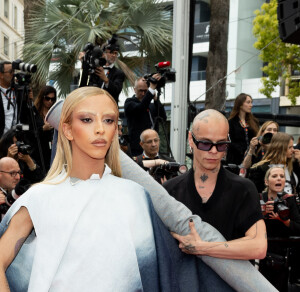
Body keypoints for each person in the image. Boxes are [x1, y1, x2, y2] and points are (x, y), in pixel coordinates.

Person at [0, 88, 276, 291]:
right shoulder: (40, 198)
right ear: (67, 130)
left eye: (108, 120)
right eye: (87, 120)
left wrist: (204, 248)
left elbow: (169, 268)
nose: (99, 129)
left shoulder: (135, 198)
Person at [164, 109, 267, 259]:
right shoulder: (170, 190)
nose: (213, 151)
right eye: (205, 144)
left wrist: (202, 247)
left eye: (221, 144)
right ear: (190, 139)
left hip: (229, 281)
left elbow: (258, 246)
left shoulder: (243, 189)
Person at [259, 166, 300, 292]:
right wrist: (263, 214)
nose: (279, 179)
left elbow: (298, 227)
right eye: (275, 176)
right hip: (262, 251)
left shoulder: (289, 199)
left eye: (282, 176)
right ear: (266, 181)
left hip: (283, 253)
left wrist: (284, 221)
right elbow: (248, 225)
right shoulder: (259, 198)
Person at [124, 76, 167, 156]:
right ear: (134, 89)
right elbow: (141, 108)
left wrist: (155, 99)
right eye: (141, 91)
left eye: (145, 91)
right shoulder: (129, 103)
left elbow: (163, 117)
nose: (143, 93)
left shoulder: (151, 105)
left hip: (154, 149)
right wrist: (150, 90)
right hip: (138, 150)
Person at [80, 38, 125, 104]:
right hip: (92, 105)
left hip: (109, 108)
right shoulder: (94, 68)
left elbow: (116, 91)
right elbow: (83, 88)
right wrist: (85, 65)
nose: (114, 55)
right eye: (111, 52)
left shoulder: (119, 73)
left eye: (116, 53)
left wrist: (106, 80)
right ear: (103, 54)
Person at [226, 93, 259, 165]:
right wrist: (243, 150)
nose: (251, 105)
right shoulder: (231, 122)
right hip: (235, 158)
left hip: (251, 158)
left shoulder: (254, 122)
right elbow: (230, 141)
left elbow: (257, 137)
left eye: (251, 102)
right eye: (248, 102)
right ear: (240, 104)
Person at [29, 86, 57, 171]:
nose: (50, 101)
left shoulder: (54, 112)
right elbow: (29, 132)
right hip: (37, 151)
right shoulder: (34, 111)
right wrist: (42, 129)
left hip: (52, 150)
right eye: (47, 98)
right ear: (42, 97)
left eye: (52, 99)